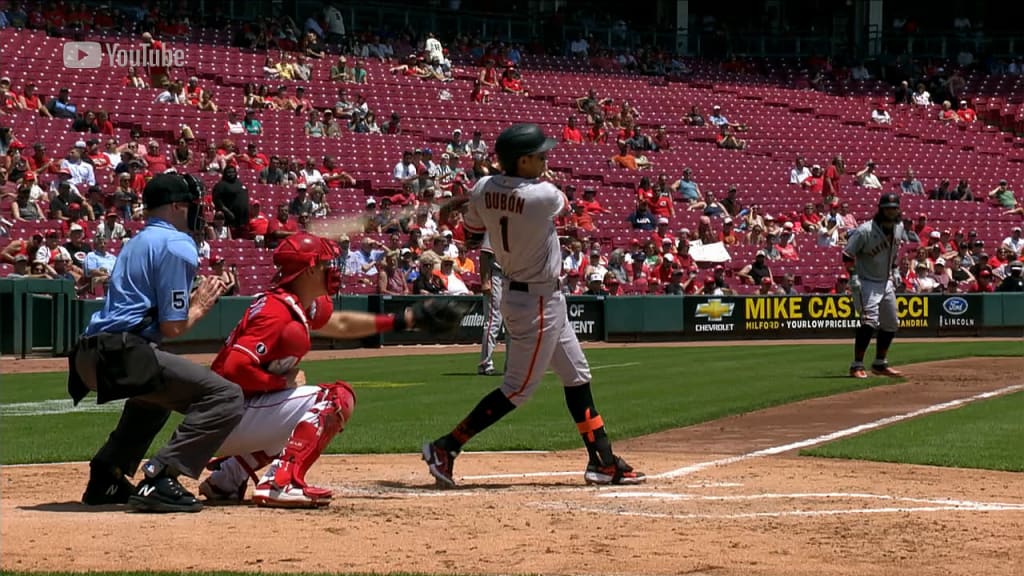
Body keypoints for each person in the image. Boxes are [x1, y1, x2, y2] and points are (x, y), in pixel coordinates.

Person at [422, 123, 645, 488]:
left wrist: (473, 200)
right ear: (521, 160)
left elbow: (476, 228)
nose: (545, 159)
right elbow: (563, 206)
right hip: (536, 299)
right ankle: (446, 446)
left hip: (537, 294)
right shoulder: (543, 195)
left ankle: (602, 460)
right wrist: (482, 198)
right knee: (516, 389)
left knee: (577, 376)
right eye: (539, 155)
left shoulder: (483, 188)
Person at [196, 233, 457, 508]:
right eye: (323, 264)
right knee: (333, 398)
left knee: (301, 421)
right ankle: (279, 482)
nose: (331, 269)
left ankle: (227, 478)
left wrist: (404, 321)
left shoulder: (297, 302)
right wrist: (281, 383)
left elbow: (341, 324)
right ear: (309, 269)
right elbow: (234, 367)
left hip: (229, 416)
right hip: (224, 417)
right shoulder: (276, 310)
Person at [68, 173, 243, 513]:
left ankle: (108, 474)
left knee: (156, 396)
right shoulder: (178, 244)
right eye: (191, 205)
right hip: (121, 352)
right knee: (226, 396)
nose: (197, 211)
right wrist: (201, 306)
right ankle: (161, 475)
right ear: (178, 206)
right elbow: (174, 328)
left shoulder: (136, 241)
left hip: (88, 354)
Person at [842, 193, 913, 379]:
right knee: (869, 322)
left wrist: (896, 270)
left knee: (891, 323)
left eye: (894, 208)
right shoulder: (865, 230)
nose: (891, 211)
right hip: (866, 282)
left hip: (885, 281)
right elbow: (848, 255)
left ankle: (880, 363)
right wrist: (853, 276)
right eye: (887, 208)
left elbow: (893, 253)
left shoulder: (898, 228)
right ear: (880, 209)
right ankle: (856, 365)